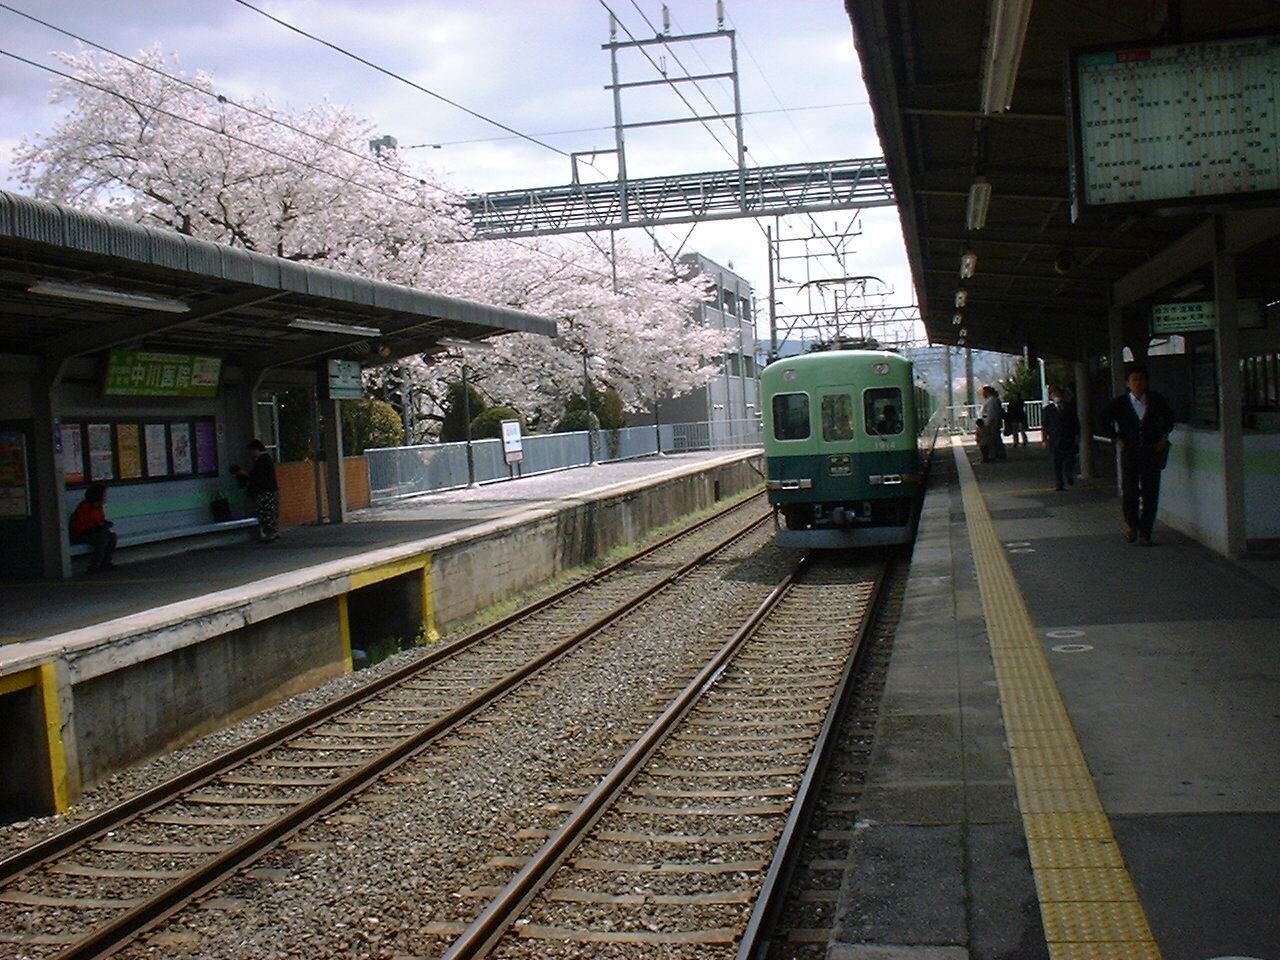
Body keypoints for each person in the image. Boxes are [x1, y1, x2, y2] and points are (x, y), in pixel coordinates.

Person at [1098, 365, 1176, 546]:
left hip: (1151, 452)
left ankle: (1146, 532)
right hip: (1130, 453)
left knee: (1151, 493)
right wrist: (1116, 438)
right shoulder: (1120, 403)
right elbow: (1102, 420)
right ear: (1128, 383)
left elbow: (1169, 418)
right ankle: (1132, 525)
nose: (1138, 383)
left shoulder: (1155, 400)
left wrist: (1164, 436)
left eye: (1141, 379)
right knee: (1130, 492)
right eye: (1134, 380)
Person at [233, 439, 279, 542]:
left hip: (264, 491)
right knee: (271, 512)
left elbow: (258, 476)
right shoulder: (267, 459)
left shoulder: (262, 461)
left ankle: (270, 533)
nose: (250, 454)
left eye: (251, 451)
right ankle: (273, 532)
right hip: (270, 490)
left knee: (265, 512)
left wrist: (244, 473)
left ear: (256, 449)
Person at [70, 483, 117, 572]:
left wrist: (105, 524)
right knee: (102, 539)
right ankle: (94, 565)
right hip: (82, 533)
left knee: (112, 537)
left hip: (94, 531)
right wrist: (97, 525)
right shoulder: (84, 506)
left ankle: (106, 562)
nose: (106, 497)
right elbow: (80, 525)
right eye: (104, 494)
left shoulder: (99, 507)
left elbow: (100, 519)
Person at [1041, 386, 1080, 491]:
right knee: (1056, 462)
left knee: (1069, 460)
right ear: (1051, 397)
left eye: (1058, 394)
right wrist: (1044, 440)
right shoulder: (1048, 410)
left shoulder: (1069, 407)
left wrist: (1077, 435)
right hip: (1054, 439)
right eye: (1054, 394)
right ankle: (1059, 483)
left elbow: (1075, 422)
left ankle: (1068, 474)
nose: (1057, 396)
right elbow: (1044, 426)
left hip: (1068, 438)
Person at [979, 385, 1005, 461]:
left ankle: (994, 455)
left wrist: (986, 424)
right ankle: (999, 453)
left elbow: (991, 413)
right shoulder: (993, 400)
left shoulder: (991, 401)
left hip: (991, 423)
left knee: (991, 440)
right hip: (993, 422)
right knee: (995, 439)